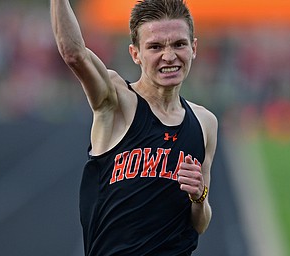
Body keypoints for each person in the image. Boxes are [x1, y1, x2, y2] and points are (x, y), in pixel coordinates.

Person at [50, 0, 218, 255]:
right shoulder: (116, 101)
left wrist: (199, 196)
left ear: (193, 48)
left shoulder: (205, 122)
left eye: (179, 44)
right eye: (155, 46)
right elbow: (74, 53)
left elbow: (200, 222)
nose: (169, 56)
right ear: (135, 53)